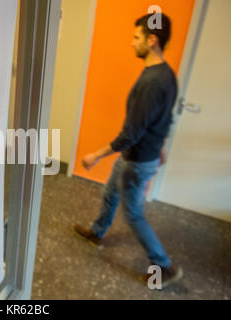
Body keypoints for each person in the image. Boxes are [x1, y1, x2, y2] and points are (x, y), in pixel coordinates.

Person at [74, 12, 183, 289]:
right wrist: (162, 147)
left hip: (136, 159)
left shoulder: (152, 82)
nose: (131, 42)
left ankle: (164, 266)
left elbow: (131, 133)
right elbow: (166, 117)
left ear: (152, 40)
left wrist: (96, 154)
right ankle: (97, 232)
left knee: (133, 214)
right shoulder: (166, 74)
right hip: (141, 155)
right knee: (110, 193)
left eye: (136, 37)